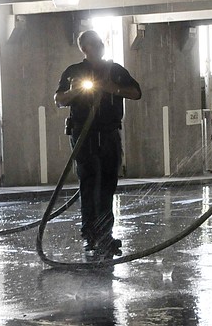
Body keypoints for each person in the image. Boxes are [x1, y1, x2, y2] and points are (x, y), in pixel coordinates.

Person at [54, 30, 142, 259]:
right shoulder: (74, 72)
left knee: (107, 186)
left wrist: (113, 88)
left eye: (100, 43)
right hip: (84, 136)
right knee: (89, 184)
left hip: (109, 134)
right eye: (93, 44)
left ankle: (105, 234)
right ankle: (90, 234)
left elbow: (136, 92)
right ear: (84, 48)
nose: (98, 47)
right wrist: (75, 91)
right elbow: (59, 99)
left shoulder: (115, 70)